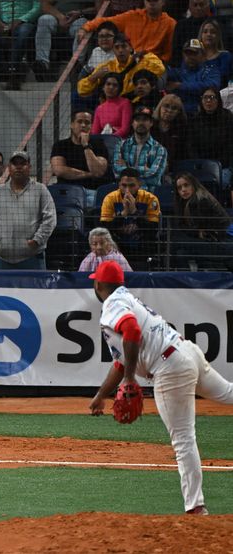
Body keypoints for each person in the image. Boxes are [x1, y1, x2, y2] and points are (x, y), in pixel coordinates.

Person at [88, 260, 233, 515]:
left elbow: (132, 330)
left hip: (170, 369)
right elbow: (121, 361)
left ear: (99, 284)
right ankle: (195, 506)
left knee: (183, 440)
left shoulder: (112, 304)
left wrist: (131, 378)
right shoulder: (127, 297)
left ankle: (195, 508)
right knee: (228, 393)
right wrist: (102, 394)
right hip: (186, 352)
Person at [0, 150, 57, 269]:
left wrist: (37, 240)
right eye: (15, 164)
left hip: (32, 258)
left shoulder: (40, 190)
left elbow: (50, 218)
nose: (19, 167)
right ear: (9, 168)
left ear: (29, 167)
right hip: (1, 259)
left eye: (23, 164)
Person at [77, 0, 176, 63]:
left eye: (155, 0)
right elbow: (106, 21)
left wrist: (158, 61)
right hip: (128, 61)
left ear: (163, 1)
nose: (151, 3)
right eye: (148, 0)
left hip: (154, 64)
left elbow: (169, 52)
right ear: (144, 2)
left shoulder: (170, 23)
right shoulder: (131, 16)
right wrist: (85, 28)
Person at [31, 0, 97, 82]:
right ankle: (42, 65)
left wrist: (80, 12)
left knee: (84, 26)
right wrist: (60, 17)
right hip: (56, 17)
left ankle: (76, 66)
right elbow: (44, 5)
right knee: (43, 20)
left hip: (79, 17)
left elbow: (98, 7)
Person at [99, 167, 160, 270]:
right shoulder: (110, 198)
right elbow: (104, 229)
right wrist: (123, 214)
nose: (127, 190)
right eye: (124, 185)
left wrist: (134, 212)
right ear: (119, 185)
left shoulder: (150, 199)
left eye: (132, 185)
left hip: (142, 245)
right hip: (117, 244)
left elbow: (153, 229)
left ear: (139, 184)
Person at [170, 172, 233, 271]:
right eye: (179, 188)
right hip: (210, 241)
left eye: (186, 185)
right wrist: (196, 232)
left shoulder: (201, 200)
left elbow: (204, 231)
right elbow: (184, 227)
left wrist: (196, 232)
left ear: (193, 185)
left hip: (224, 242)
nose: (183, 190)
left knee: (176, 243)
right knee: (180, 252)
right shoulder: (184, 203)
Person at [76, 33, 165, 102]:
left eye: (124, 46)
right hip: (114, 108)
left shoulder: (142, 62)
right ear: (113, 50)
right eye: (117, 47)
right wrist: (94, 77)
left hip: (136, 105)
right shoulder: (106, 67)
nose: (120, 50)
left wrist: (145, 54)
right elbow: (81, 90)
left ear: (130, 48)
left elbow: (160, 69)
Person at [50, 110, 112, 204]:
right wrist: (89, 174)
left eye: (87, 123)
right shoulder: (60, 145)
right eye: (79, 122)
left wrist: (86, 146)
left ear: (91, 126)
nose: (83, 125)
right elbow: (59, 170)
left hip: (93, 192)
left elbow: (98, 171)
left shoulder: (99, 144)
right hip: (68, 192)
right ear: (72, 125)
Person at [112, 105, 168, 194]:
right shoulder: (120, 146)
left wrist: (127, 168)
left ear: (151, 123)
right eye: (137, 119)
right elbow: (117, 172)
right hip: (123, 194)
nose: (141, 123)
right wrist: (145, 170)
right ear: (132, 123)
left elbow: (155, 177)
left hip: (149, 195)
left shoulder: (160, 149)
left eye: (145, 120)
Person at [188, 85, 233, 193]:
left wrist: (218, 165)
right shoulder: (195, 121)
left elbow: (230, 145)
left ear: (218, 100)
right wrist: (201, 164)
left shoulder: (228, 118)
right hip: (200, 166)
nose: (208, 100)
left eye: (212, 97)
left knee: (223, 181)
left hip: (224, 166)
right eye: (205, 97)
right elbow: (190, 146)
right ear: (201, 100)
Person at [166, 39, 221, 117]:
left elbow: (213, 85)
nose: (190, 57)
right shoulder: (176, 72)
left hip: (202, 114)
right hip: (178, 115)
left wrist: (180, 86)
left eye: (194, 53)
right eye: (187, 53)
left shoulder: (211, 70)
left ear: (203, 55)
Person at [170, 0, 212, 68]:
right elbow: (176, 53)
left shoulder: (215, 24)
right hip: (185, 67)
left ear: (208, 6)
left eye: (201, 4)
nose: (198, 8)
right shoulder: (181, 25)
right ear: (190, 7)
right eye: (195, 5)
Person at [151, 94, 189, 167]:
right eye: (166, 106)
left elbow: (183, 153)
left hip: (174, 167)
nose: (169, 110)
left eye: (174, 108)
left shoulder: (182, 129)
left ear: (178, 112)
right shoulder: (150, 125)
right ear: (160, 107)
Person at [91, 73, 133, 137]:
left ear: (119, 88)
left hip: (120, 142)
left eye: (115, 85)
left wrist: (109, 138)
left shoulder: (125, 103)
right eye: (108, 84)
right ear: (103, 87)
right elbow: (95, 132)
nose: (111, 87)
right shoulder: (99, 109)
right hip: (103, 143)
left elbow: (125, 129)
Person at [198, 18, 231, 85]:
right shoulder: (193, 56)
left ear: (218, 36)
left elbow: (222, 78)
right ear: (201, 35)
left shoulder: (225, 56)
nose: (209, 34)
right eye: (205, 32)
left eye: (213, 32)